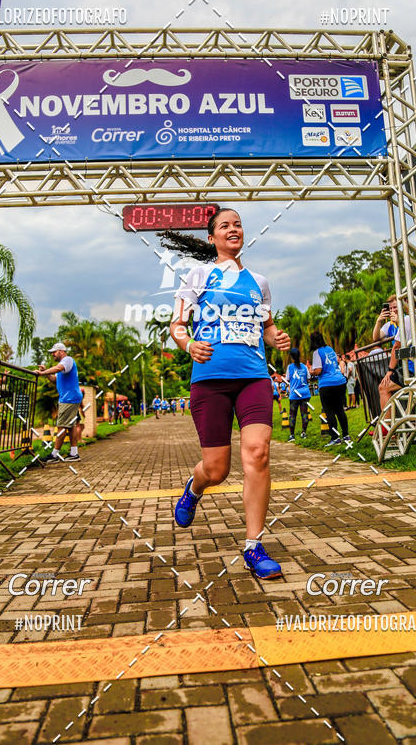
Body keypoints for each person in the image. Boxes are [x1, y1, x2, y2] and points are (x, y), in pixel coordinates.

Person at [167, 207, 290, 579]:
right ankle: (194, 487)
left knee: (258, 453)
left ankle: (254, 546)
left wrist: (276, 337)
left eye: (237, 224)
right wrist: (188, 346)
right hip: (209, 380)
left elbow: (265, 327)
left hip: (253, 377)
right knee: (217, 470)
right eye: (225, 225)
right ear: (212, 238)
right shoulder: (198, 276)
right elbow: (177, 325)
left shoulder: (259, 282)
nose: (233, 229)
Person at [378, 299, 416, 451]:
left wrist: (390, 370)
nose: (394, 309)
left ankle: (388, 429)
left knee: (383, 387)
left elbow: (397, 348)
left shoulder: (406, 320)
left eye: (396, 306)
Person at [34, 343, 83, 462]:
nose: (52, 354)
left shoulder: (67, 360)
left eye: (54, 352)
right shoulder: (63, 364)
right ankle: (74, 453)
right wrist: (46, 373)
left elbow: (58, 368)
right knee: (71, 426)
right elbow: (54, 378)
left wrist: (41, 373)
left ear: (61, 351)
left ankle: (54, 455)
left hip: (69, 399)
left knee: (61, 426)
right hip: (70, 398)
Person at [309, 332, 350, 445]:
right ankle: (346, 435)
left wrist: (311, 372)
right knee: (340, 410)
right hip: (340, 381)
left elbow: (318, 370)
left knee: (330, 412)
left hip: (327, 384)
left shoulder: (317, 352)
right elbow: (335, 362)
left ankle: (335, 438)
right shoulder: (330, 349)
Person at [285, 348, 310, 441]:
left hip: (294, 395)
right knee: (304, 413)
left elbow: (287, 379)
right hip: (305, 394)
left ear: (292, 357)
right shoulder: (304, 367)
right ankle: (304, 433)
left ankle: (292, 435)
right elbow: (308, 378)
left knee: (292, 415)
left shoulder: (290, 367)